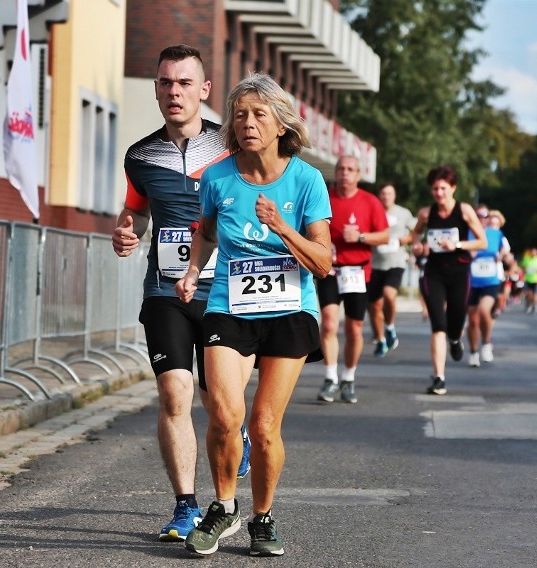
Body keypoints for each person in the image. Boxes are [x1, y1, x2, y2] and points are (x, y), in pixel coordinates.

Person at [174, 72, 332, 557]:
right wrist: (192, 270)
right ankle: (223, 507)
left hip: (289, 309)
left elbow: (323, 262)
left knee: (263, 424)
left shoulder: (306, 179)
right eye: (239, 114)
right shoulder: (217, 176)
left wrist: (281, 225)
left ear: (281, 123)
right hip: (230, 304)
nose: (247, 123)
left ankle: (262, 517)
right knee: (223, 411)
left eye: (259, 114)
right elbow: (203, 230)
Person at [111, 44, 249, 544]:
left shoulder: (232, 148)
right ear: (155, 89)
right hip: (166, 291)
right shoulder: (139, 155)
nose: (175, 92)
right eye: (166, 82)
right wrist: (126, 233)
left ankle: (236, 439)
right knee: (175, 391)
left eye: (185, 83)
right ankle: (187, 506)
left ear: (204, 90)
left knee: (221, 407)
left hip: (226, 293)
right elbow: (137, 214)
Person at [316, 156, 389, 404]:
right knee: (327, 324)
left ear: (358, 174)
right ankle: (330, 378)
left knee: (354, 328)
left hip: (358, 272)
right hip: (331, 269)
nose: (345, 173)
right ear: (336, 173)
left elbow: (385, 236)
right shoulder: (325, 197)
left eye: (350, 170)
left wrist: (360, 237)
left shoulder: (370, 201)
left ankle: (348, 377)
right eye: (341, 169)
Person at [410, 165, 486, 395]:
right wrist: (417, 246)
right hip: (433, 273)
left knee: (455, 320)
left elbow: (482, 242)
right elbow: (415, 234)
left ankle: (456, 339)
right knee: (438, 324)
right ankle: (439, 377)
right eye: (435, 189)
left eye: (443, 188)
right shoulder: (426, 213)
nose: (439, 193)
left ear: (453, 188)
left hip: (459, 273)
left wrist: (458, 245)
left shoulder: (464, 211)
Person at [368, 183, 415, 357]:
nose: (386, 196)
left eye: (389, 193)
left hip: (396, 261)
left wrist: (408, 239)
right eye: (383, 193)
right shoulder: (373, 210)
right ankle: (381, 340)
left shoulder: (403, 213)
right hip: (375, 263)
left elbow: (416, 230)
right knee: (374, 305)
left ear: (394, 196)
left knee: (389, 294)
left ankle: (389, 326)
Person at [466, 204, 508, 367]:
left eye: (485, 216)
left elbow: (505, 248)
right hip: (471, 281)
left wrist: (502, 256)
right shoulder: (468, 233)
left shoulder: (495, 234)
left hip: (490, 281)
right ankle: (473, 351)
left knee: (484, 311)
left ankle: (486, 342)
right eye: (478, 216)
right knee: (472, 320)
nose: (481, 219)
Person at [521, 247, 537, 314]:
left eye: (534, 252)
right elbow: (522, 268)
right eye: (532, 252)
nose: (533, 253)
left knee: (535, 294)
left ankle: (534, 306)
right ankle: (528, 304)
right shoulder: (526, 259)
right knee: (528, 294)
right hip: (528, 279)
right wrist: (525, 270)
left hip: (536, 280)